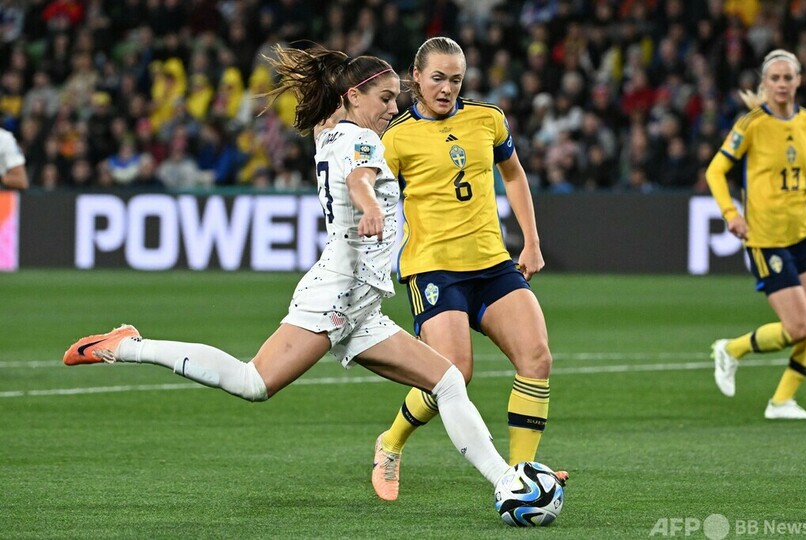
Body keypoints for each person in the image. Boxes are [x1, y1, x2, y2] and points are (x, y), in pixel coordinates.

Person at [62, 45, 516, 500]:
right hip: (337, 293)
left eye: (395, 98)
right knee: (253, 382)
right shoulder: (360, 141)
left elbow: (342, 142)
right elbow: (360, 178)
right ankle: (128, 346)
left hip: (362, 304)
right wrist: (370, 206)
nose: (392, 108)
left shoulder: (329, 132)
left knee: (447, 380)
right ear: (354, 96)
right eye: (384, 98)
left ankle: (506, 482)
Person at [372, 36, 562, 501]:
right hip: (433, 270)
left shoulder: (488, 119)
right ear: (416, 77)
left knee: (537, 358)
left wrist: (532, 241)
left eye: (455, 80)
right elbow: (373, 198)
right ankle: (390, 443)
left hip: (493, 264)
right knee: (454, 372)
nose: (447, 89)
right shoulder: (395, 137)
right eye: (437, 78)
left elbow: (513, 173)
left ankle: (521, 474)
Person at [707, 49, 806, 420]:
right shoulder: (751, 124)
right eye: (775, 78)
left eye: (788, 78)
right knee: (799, 327)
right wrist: (731, 213)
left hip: (803, 234)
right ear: (765, 83)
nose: (782, 84)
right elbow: (715, 171)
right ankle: (731, 349)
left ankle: (781, 402)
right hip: (766, 239)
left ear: (798, 81)